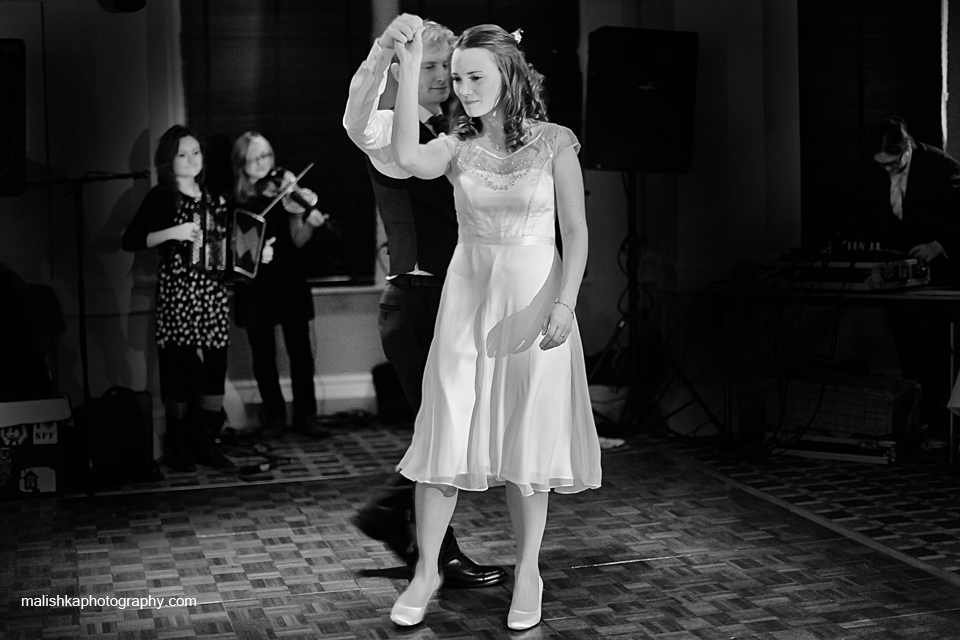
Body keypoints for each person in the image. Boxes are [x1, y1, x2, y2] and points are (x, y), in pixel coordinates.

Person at [388, 23, 602, 629]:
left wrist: (566, 303)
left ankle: (528, 569)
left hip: (535, 297)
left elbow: (578, 232)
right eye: (455, 78)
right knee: (445, 428)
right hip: (468, 298)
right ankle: (427, 568)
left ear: (508, 74)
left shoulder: (555, 141)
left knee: (526, 437)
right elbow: (407, 158)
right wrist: (407, 73)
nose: (463, 88)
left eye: (475, 76)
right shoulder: (456, 145)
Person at [343, 15, 508, 589]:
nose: (441, 78)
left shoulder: (454, 129)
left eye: (446, 66)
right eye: (430, 67)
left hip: (450, 301)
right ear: (405, 71)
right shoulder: (391, 130)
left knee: (447, 432)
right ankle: (432, 550)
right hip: (417, 305)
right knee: (445, 435)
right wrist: (381, 52)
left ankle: (393, 517)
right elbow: (355, 118)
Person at [121, 124, 233, 472]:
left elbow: (225, 245)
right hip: (178, 291)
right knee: (179, 372)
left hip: (213, 292)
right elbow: (132, 239)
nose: (191, 160)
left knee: (215, 369)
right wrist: (175, 232)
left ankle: (207, 443)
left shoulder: (215, 197)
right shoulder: (161, 196)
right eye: (182, 154)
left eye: (195, 152)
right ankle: (178, 446)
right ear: (169, 160)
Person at [861, 118, 960, 437]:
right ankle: (918, 414)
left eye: (893, 164)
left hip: (941, 272)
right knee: (906, 340)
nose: (888, 170)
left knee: (936, 345)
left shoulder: (940, 165)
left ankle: (939, 418)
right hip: (900, 274)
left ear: (907, 149)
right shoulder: (878, 172)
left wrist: (939, 244)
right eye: (882, 165)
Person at [230, 131, 330, 438]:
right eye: (256, 157)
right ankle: (273, 417)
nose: (264, 163)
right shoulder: (237, 199)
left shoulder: (286, 192)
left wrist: (310, 225)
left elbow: (297, 240)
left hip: (289, 279)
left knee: (300, 349)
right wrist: (258, 254)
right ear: (241, 164)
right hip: (256, 286)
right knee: (263, 353)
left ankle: (306, 414)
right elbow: (237, 249)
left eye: (267, 155)